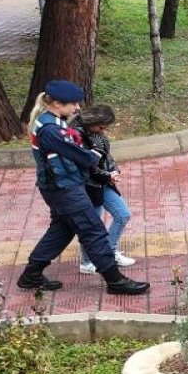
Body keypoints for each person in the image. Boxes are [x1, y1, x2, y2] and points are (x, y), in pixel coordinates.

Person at [19, 80, 150, 296]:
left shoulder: (50, 121)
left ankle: (31, 274)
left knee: (62, 230)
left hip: (59, 186)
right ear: (58, 104)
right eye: (74, 104)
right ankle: (114, 280)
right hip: (64, 189)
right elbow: (83, 156)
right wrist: (96, 155)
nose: (78, 108)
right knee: (93, 230)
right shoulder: (51, 130)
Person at [70, 105, 136, 275]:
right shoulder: (76, 135)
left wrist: (113, 170)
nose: (103, 131)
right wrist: (108, 175)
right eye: (101, 127)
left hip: (103, 182)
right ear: (92, 121)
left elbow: (106, 155)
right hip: (89, 186)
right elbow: (86, 164)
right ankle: (86, 262)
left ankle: (110, 252)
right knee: (92, 224)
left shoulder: (95, 133)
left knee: (122, 214)